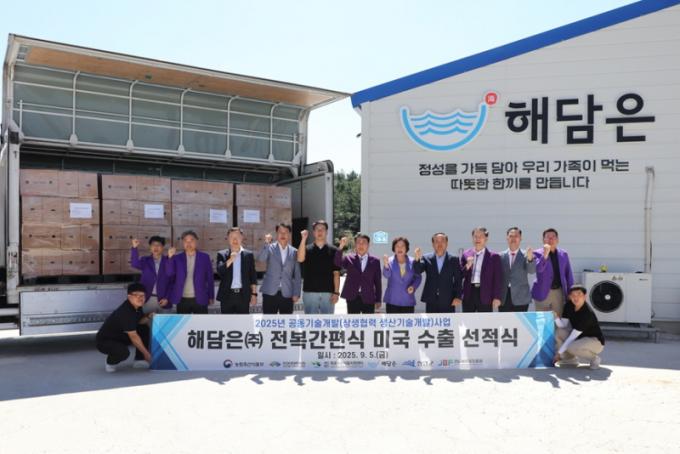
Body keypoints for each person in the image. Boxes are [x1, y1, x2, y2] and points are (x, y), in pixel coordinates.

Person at [96, 283, 153, 372]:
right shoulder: (125, 311)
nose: (140, 298)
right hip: (105, 341)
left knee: (144, 328)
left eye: (142, 295)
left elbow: (139, 322)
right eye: (136, 295)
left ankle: (139, 360)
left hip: (121, 336)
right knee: (123, 353)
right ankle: (110, 362)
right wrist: (147, 354)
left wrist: (149, 316)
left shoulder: (137, 306)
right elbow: (134, 337)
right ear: (129, 297)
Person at [554, 284, 605, 370]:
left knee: (570, 346)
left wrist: (558, 354)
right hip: (579, 338)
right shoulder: (568, 305)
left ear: (584, 297)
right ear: (570, 297)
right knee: (559, 332)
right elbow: (563, 325)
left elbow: (571, 338)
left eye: (579, 294)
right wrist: (556, 318)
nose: (576, 297)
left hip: (595, 341)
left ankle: (594, 358)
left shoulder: (587, 314)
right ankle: (570, 359)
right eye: (573, 295)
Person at [296, 220, 341, 314]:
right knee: (311, 321)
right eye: (317, 229)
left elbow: (336, 273)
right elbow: (300, 259)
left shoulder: (334, 250)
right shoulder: (306, 249)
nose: (320, 231)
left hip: (328, 292)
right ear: (313, 232)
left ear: (327, 232)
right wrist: (303, 239)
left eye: (322, 229)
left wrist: (336, 292)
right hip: (310, 292)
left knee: (327, 321)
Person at [257, 223, 302, 314]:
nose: (283, 234)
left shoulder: (294, 252)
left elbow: (297, 274)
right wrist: (266, 243)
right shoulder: (270, 248)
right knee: (268, 321)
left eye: (285, 232)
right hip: (270, 292)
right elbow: (261, 259)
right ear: (276, 234)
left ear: (289, 234)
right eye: (280, 232)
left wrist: (297, 293)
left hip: (287, 293)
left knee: (286, 322)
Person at [167, 230, 215, 314]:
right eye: (186, 241)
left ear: (196, 241)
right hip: (182, 298)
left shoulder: (204, 257)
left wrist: (211, 296)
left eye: (191, 240)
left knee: (201, 322)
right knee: (183, 322)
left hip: (200, 297)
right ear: (183, 243)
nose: (188, 243)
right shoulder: (177, 258)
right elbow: (169, 273)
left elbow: (210, 278)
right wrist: (170, 258)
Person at [413, 233, 463, 313]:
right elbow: (417, 271)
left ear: (447, 243)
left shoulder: (454, 259)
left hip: (448, 299)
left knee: (448, 321)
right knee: (432, 321)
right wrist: (416, 259)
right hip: (431, 299)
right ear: (433, 244)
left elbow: (458, 279)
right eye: (436, 241)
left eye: (442, 241)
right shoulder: (426, 258)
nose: (439, 244)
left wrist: (458, 297)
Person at [335, 233, 382, 314]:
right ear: (355, 245)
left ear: (368, 245)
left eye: (364, 242)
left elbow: (378, 282)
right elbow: (337, 263)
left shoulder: (375, 261)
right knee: (353, 321)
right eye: (358, 242)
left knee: (367, 321)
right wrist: (341, 247)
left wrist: (378, 299)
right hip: (352, 296)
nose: (361, 245)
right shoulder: (349, 258)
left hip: (368, 297)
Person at [532, 228, 574, 317]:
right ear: (543, 240)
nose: (550, 239)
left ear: (557, 240)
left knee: (557, 319)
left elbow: (568, 274)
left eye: (553, 237)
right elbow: (539, 269)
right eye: (548, 237)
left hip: (558, 292)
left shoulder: (563, 254)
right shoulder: (536, 253)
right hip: (542, 291)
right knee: (542, 320)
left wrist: (571, 292)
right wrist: (545, 255)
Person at [216, 227, 258, 314]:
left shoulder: (248, 255)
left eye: (237, 237)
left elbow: (252, 276)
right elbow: (220, 271)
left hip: (243, 295)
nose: (235, 240)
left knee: (243, 321)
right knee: (226, 321)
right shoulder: (222, 254)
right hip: (227, 295)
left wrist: (254, 294)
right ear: (228, 239)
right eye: (232, 237)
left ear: (242, 238)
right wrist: (231, 259)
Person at [461, 227, 503, 313]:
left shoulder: (494, 256)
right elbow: (460, 275)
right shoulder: (466, 254)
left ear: (486, 238)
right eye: (475, 236)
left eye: (480, 236)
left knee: (485, 320)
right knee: (468, 320)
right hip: (469, 293)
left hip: (486, 294)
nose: (477, 239)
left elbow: (498, 279)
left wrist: (497, 297)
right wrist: (467, 266)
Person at [130, 236, 175, 314]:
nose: (156, 247)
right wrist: (134, 248)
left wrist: (167, 298)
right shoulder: (145, 260)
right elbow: (135, 263)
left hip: (164, 300)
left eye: (158, 245)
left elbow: (172, 282)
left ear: (163, 247)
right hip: (148, 299)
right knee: (148, 321)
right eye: (153, 245)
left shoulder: (169, 261)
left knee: (165, 322)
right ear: (150, 247)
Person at [499, 227, 536, 312]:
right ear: (507, 238)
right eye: (511, 236)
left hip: (521, 297)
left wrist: (530, 259)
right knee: (504, 320)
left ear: (520, 238)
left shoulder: (526, 254)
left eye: (516, 236)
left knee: (520, 320)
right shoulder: (500, 256)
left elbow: (531, 271)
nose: (513, 238)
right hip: (504, 297)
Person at [382, 237, 422, 313]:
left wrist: (413, 287)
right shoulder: (389, 260)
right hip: (392, 300)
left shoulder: (413, 261)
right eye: (397, 246)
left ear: (406, 248)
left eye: (402, 246)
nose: (400, 248)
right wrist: (386, 265)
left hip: (407, 300)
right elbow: (386, 275)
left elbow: (418, 277)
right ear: (394, 248)